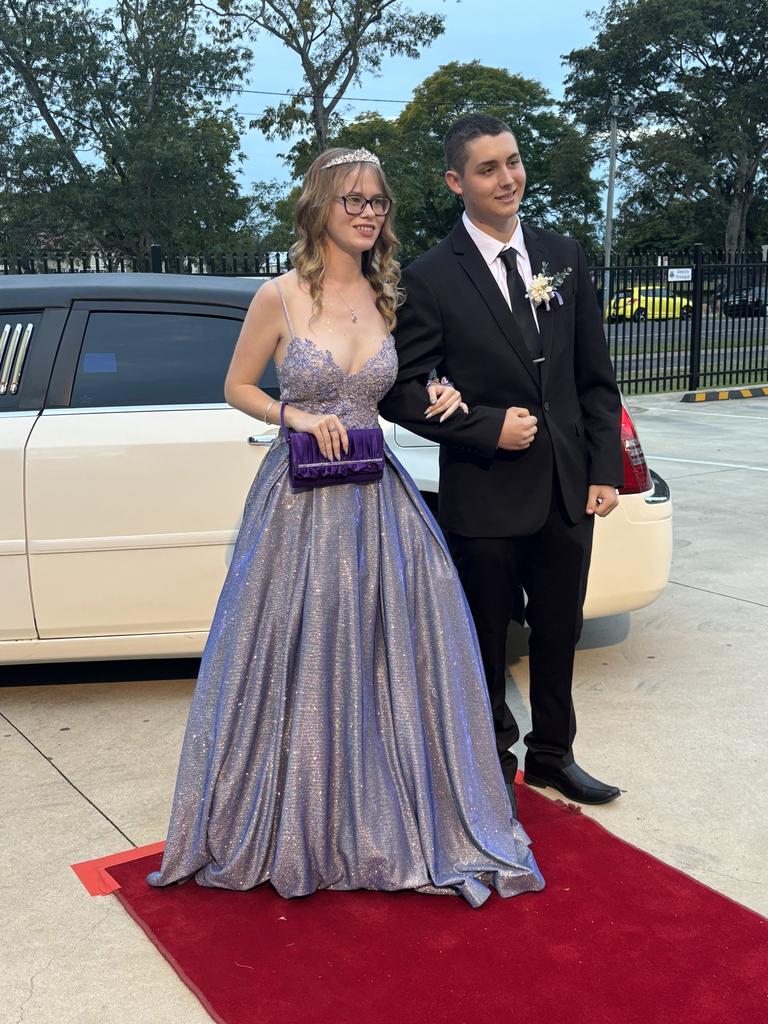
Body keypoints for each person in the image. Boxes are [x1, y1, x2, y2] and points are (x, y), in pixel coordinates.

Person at [147, 146, 544, 908]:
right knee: (300, 655)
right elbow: (235, 385)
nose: (368, 213)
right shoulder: (281, 296)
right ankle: (297, 815)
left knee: (392, 655)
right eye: (353, 200)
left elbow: (406, 386)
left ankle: (385, 808)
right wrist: (295, 415)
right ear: (319, 208)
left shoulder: (391, 295)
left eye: (379, 202)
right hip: (298, 504)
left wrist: (443, 394)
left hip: (379, 498)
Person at [379, 115, 625, 805]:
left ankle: (553, 753)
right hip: (485, 494)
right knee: (486, 640)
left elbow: (594, 378)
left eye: (513, 162)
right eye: (487, 169)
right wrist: (485, 428)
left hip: (566, 491)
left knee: (558, 631)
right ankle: (491, 763)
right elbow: (402, 389)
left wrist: (602, 468)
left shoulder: (563, 255)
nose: (507, 178)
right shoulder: (429, 277)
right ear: (457, 181)